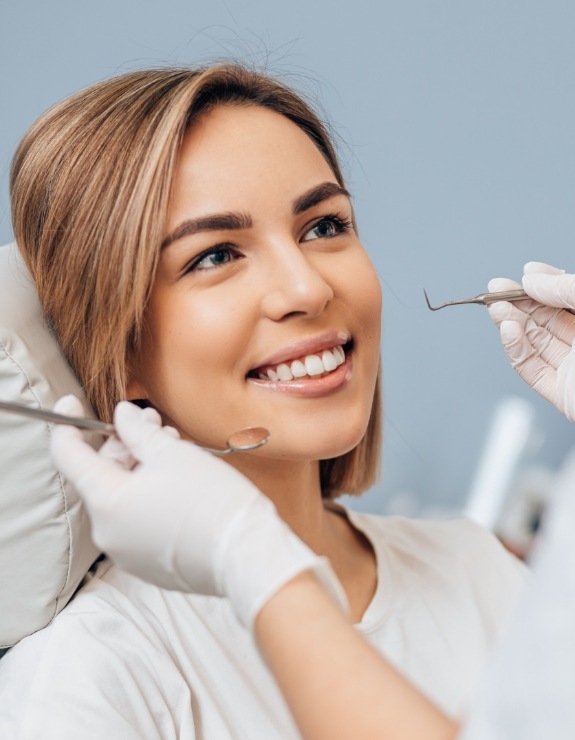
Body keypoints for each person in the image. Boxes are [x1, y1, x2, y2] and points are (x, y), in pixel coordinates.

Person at [0, 64, 526, 740]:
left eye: (323, 226)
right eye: (215, 255)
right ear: (120, 349)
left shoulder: (474, 565)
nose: (305, 287)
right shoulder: (91, 680)